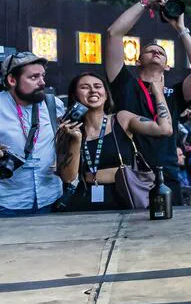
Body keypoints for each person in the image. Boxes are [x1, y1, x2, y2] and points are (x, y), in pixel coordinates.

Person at [104, 0, 191, 198]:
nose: (155, 52)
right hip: (131, 172)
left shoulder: (176, 93)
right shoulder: (124, 83)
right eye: (149, 50)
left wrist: (180, 29)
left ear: (167, 66)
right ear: (137, 61)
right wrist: (145, 2)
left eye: (160, 52)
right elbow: (114, 34)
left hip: (167, 173)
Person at [58, 71, 173, 211]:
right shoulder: (69, 129)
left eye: (97, 86)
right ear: (75, 95)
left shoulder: (121, 119)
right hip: (84, 199)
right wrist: (75, 140)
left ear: (106, 94)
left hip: (124, 195)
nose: (93, 90)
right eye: (85, 87)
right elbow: (68, 178)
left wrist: (158, 93)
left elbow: (164, 129)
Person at [0, 52, 68, 216]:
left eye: (43, 76)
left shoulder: (53, 104)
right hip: (7, 203)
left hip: (50, 198)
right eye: (34, 77)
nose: (42, 82)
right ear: (12, 80)